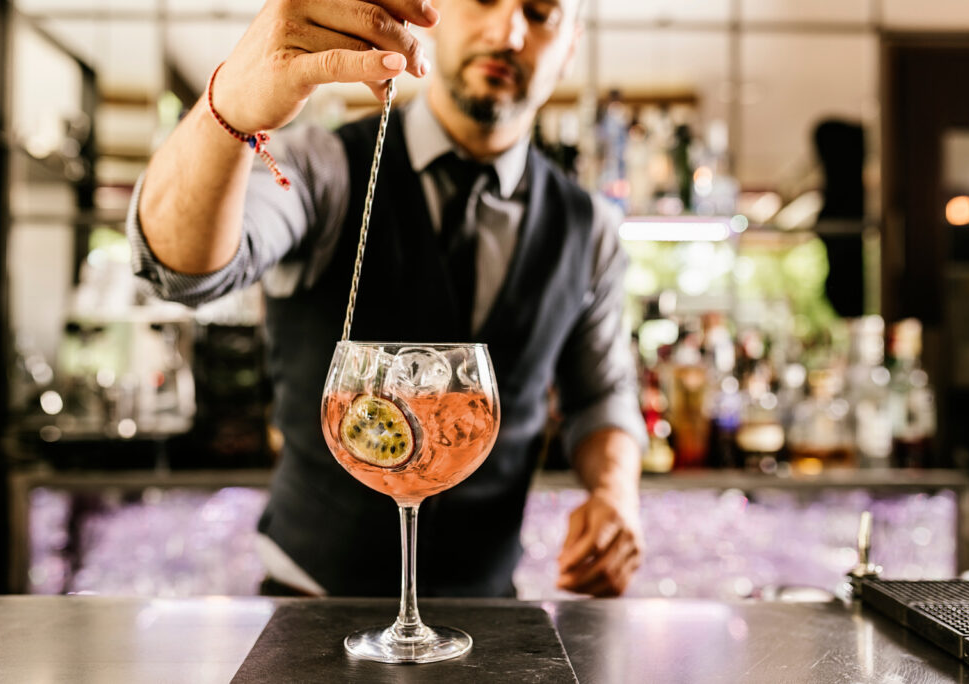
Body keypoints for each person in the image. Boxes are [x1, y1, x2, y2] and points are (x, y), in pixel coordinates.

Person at [129, 0, 647, 598]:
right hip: (311, 608)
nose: (507, 31)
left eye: (539, 13)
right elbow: (178, 272)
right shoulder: (325, 166)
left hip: (488, 620)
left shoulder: (589, 228)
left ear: (570, 47)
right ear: (432, 11)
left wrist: (615, 494)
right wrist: (230, 108)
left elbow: (602, 394)